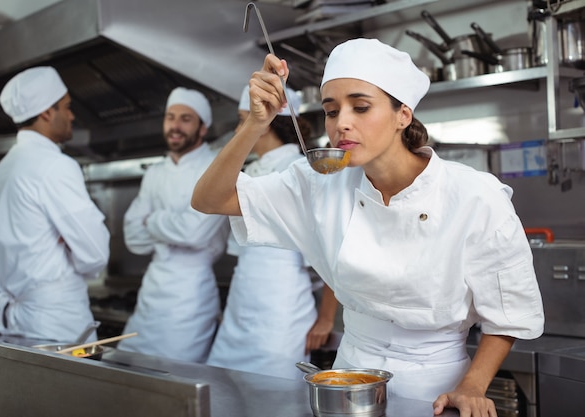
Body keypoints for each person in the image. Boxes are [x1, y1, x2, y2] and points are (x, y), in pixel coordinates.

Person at [191, 38, 544, 416]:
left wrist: (472, 386)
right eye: (331, 110)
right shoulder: (318, 184)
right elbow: (209, 200)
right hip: (349, 379)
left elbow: (510, 313)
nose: (341, 122)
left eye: (360, 107)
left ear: (402, 115)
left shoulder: (474, 195)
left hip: (438, 387)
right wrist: (256, 124)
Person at [206, 85, 338, 379]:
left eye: (244, 119)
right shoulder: (253, 169)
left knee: (271, 399)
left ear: (264, 124)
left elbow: (334, 249)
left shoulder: (300, 168)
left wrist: (326, 318)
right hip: (241, 307)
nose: (241, 128)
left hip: (280, 313)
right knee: (224, 393)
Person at [0, 66, 110, 343]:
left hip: (20, 320)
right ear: (47, 113)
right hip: (58, 324)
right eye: (67, 107)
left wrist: (67, 242)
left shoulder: (5, 167)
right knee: (72, 387)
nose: (72, 115)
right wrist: (70, 248)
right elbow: (96, 251)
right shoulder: (55, 166)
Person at [117, 87, 230, 362]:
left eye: (185, 119)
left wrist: (152, 221)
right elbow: (132, 238)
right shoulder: (154, 173)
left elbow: (194, 232)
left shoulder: (218, 167)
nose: (175, 126)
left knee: (176, 379)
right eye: (170, 117)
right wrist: (173, 226)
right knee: (128, 371)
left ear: (203, 128)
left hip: (190, 299)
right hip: (151, 293)